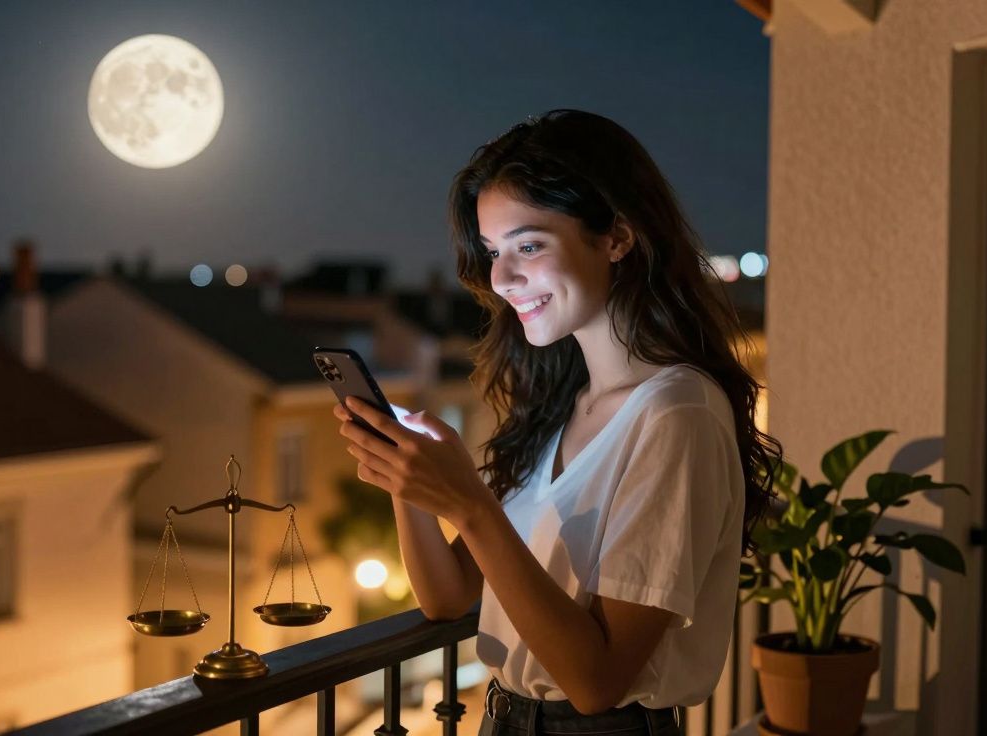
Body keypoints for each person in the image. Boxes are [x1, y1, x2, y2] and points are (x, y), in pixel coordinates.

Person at [333, 109, 781, 736]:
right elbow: (449, 595)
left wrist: (470, 506)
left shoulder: (677, 414)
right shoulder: (560, 405)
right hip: (507, 720)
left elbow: (597, 682)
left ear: (617, 237)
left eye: (529, 245)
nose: (501, 277)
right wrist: (407, 478)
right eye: (493, 251)